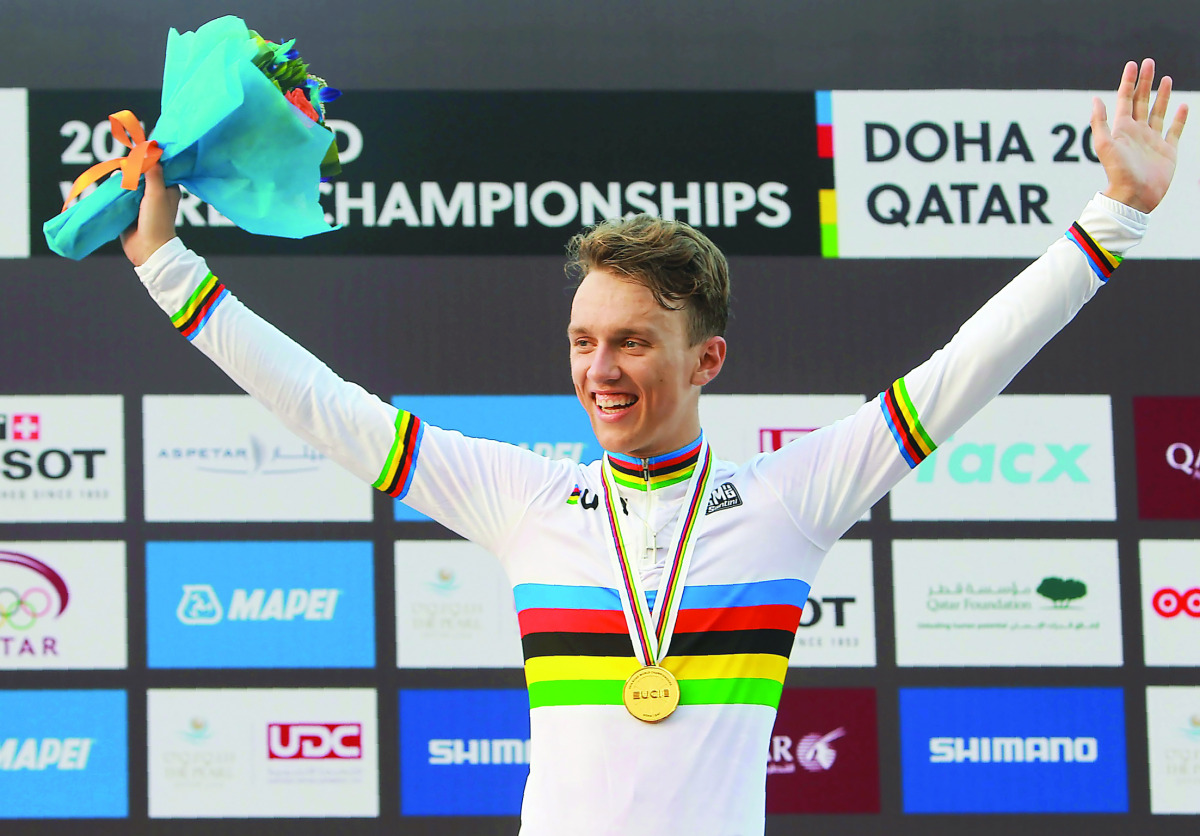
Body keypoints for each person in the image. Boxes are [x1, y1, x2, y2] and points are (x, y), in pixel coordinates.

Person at [121, 60, 1185, 835]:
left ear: (705, 359)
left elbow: (964, 370)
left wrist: (1118, 216)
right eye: (583, 341)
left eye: (632, 341)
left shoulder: (789, 500)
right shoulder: (525, 498)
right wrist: (168, 266)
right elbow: (324, 405)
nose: (601, 369)